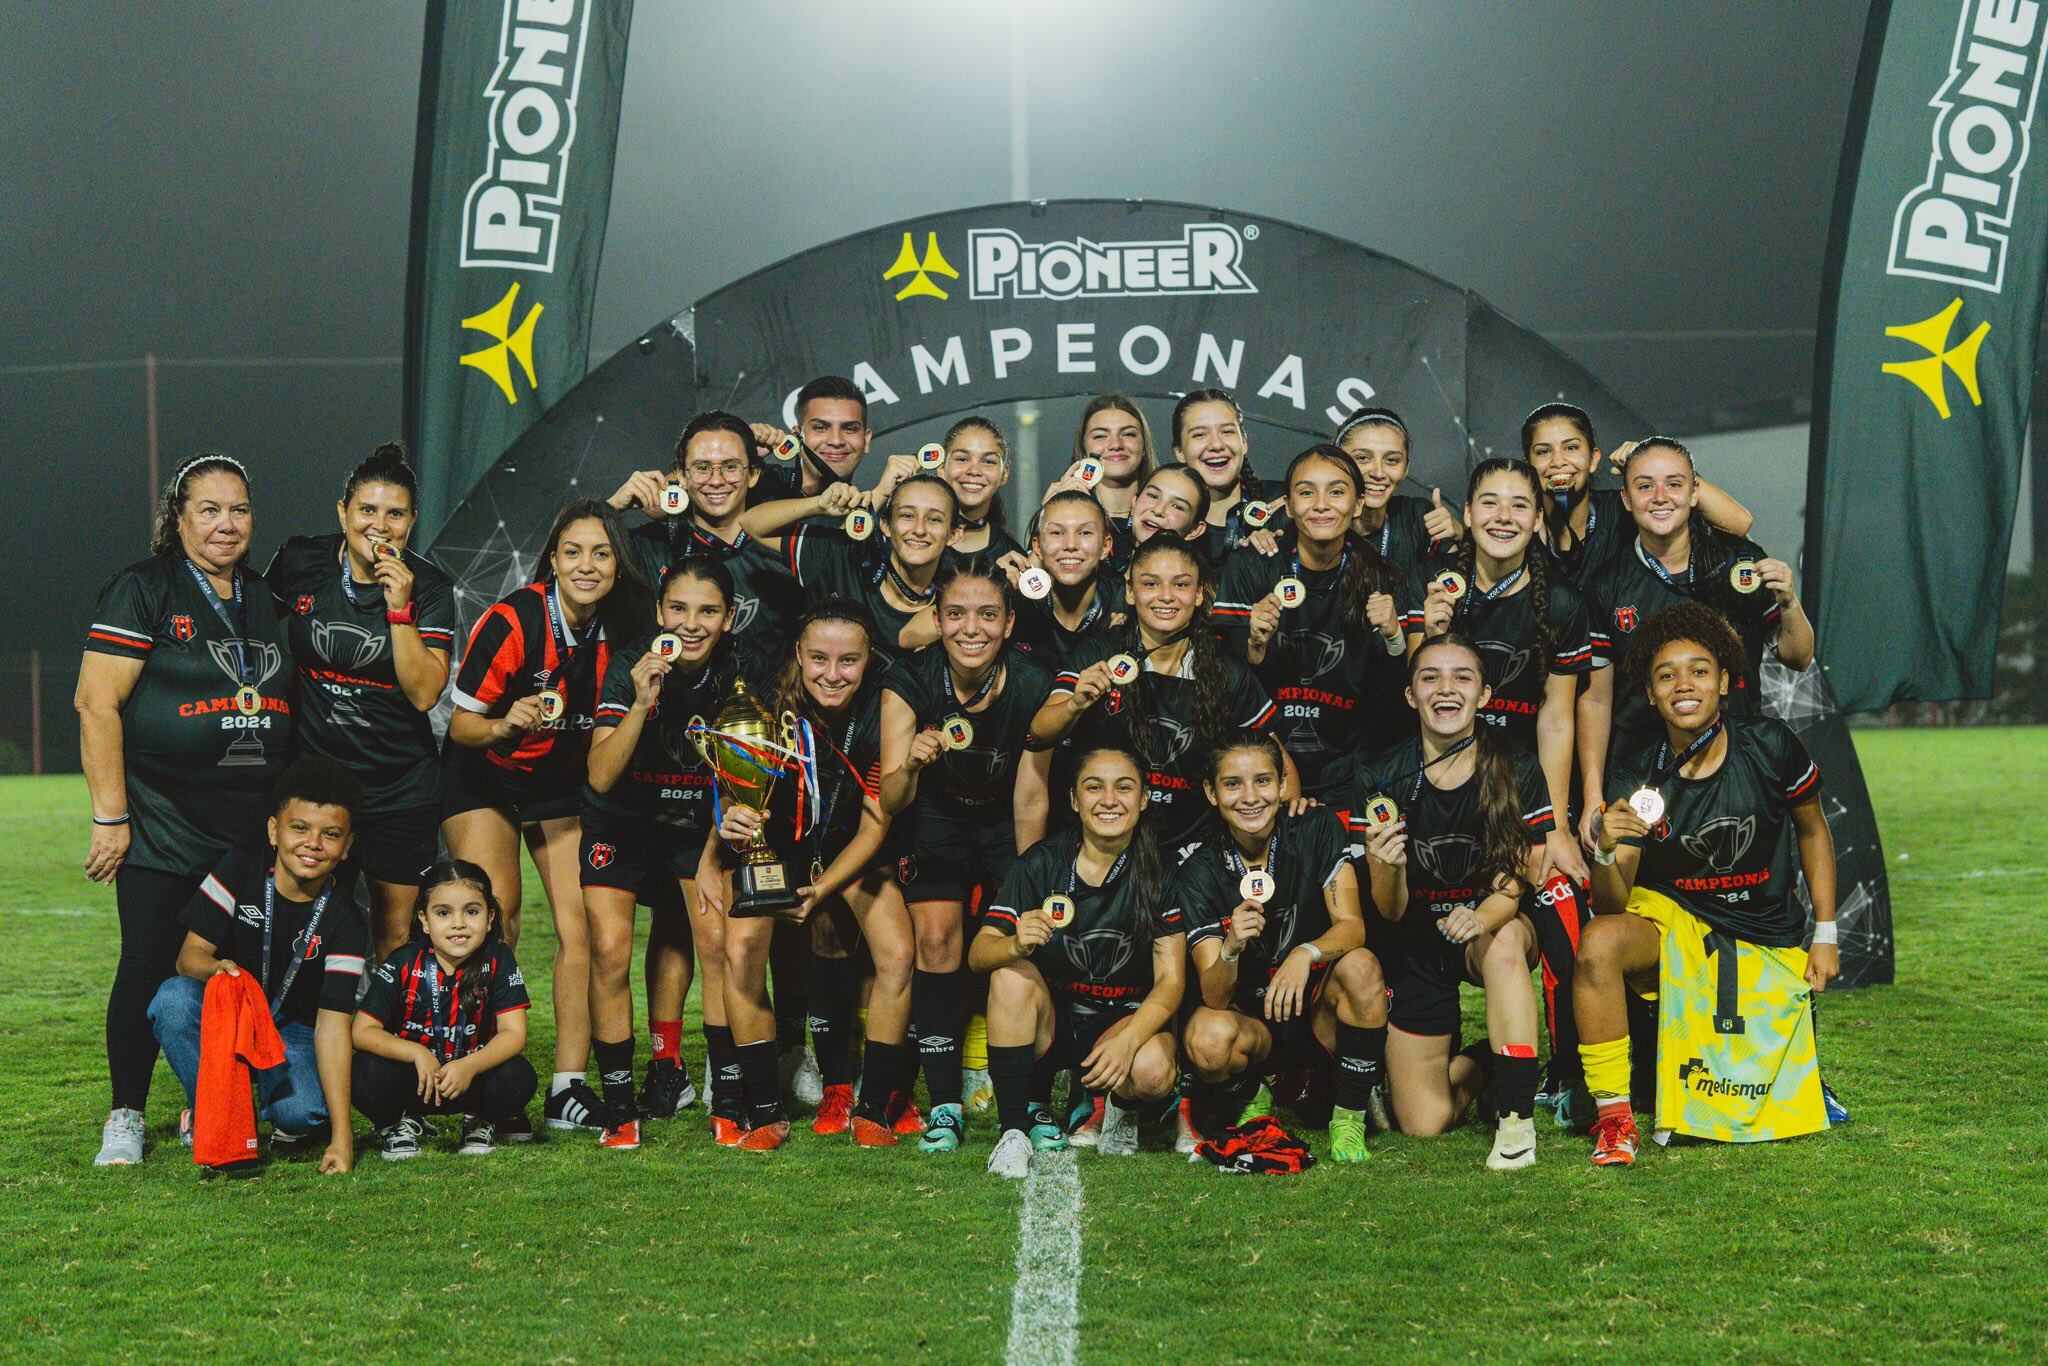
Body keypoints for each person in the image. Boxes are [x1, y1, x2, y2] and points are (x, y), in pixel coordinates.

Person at [80, 453, 295, 1167]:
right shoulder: (144, 588)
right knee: (146, 965)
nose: (226, 524)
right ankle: (126, 1115)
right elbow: (96, 703)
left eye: (239, 509)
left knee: (235, 973)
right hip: (163, 826)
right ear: (178, 519)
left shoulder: (264, 596)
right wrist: (111, 816)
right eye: (209, 509)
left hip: (247, 833)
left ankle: (208, 1100)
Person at [1578, 603, 1838, 1167]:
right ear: (1651, 695)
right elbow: (1611, 902)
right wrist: (1604, 850)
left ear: (1723, 683)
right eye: (1666, 675)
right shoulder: (1637, 771)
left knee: (1766, 1092)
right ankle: (1615, 1119)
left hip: (1764, 930)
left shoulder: (1769, 744)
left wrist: (1826, 933)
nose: (1683, 685)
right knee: (1598, 941)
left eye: (1698, 671)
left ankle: (1805, 1071)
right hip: (1677, 923)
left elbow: (1814, 832)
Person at [1402, 457, 1609, 1119]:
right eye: (1489, 502)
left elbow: (1556, 717)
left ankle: (1568, 1075)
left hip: (1519, 798)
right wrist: (1428, 629)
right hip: (1440, 794)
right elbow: (1408, 692)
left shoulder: (1563, 603)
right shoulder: (1433, 582)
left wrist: (1554, 826)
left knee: (1561, 907)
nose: (1503, 516)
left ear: (1538, 518)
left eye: (1520, 505)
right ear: (1467, 514)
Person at [442, 499, 652, 1134]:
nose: (587, 566)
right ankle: (480, 1087)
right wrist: (505, 723)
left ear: (618, 563)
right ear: (553, 560)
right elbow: (461, 725)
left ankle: (567, 1088)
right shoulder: (514, 619)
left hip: (559, 784)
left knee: (580, 927)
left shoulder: (627, 625)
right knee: (495, 916)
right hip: (483, 772)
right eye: (573, 552)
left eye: (601, 553)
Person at [703, 600, 921, 1147]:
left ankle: (873, 1108)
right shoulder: (765, 701)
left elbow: (875, 826)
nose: (832, 674)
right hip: (775, 847)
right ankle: (765, 1110)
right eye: (819, 658)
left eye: (849, 661)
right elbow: (731, 784)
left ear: (869, 658)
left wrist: (821, 890)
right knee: (741, 953)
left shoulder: (884, 707)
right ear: (799, 654)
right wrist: (727, 824)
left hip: (850, 848)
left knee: (897, 953)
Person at [1351, 633, 1555, 1170]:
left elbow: (1515, 883)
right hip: (1416, 945)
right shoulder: (1381, 777)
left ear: (1484, 695)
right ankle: (1489, 1061)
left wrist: (1480, 916)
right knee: (1424, 1122)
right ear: (1410, 695)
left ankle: (1516, 1120)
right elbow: (1389, 911)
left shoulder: (1517, 767)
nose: (1446, 689)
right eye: (1430, 678)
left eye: (1462, 677)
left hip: (1488, 925)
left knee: (1504, 946)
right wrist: (1389, 868)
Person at [878, 561, 1057, 1152]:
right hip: (936, 816)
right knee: (936, 941)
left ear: (1009, 623)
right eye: (956, 614)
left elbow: (1032, 793)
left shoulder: (1032, 682)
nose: (971, 628)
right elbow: (893, 800)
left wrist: (1027, 878)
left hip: (1007, 820)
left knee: (1019, 940)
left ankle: (1033, 1099)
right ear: (936, 620)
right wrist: (910, 763)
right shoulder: (909, 678)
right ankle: (945, 1105)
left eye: (987, 615)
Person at [579, 557, 744, 1147]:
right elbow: (601, 776)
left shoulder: (740, 673)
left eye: (708, 611)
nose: (691, 624)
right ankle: (620, 1107)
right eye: (678, 608)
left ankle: (726, 1101)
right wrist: (641, 704)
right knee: (608, 950)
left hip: (696, 826)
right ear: (659, 612)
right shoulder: (630, 664)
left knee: (715, 944)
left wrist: (710, 855)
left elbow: (742, 780)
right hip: (621, 820)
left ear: (728, 619)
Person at [266, 444, 455, 956]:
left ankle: (384, 1014)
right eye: (367, 510)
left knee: (395, 933)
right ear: (342, 512)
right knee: (306, 924)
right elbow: (248, 629)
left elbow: (424, 694)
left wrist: (399, 610)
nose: (379, 525)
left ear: (412, 521)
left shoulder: (429, 587)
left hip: (400, 785)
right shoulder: (301, 560)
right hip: (319, 783)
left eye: (395, 514)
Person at [1578, 438, 1814, 848]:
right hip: (1643, 777)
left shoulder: (1737, 562)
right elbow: (1597, 700)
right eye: (1645, 486)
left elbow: (1798, 657)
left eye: (1674, 484)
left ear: (1694, 493)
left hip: (1737, 767)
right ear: (1626, 499)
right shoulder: (1607, 584)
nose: (1660, 497)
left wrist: (1790, 604)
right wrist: (1592, 795)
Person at [972, 747, 1187, 1178]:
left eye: (1124, 787)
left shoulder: (1162, 870)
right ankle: (1012, 1132)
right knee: (1009, 976)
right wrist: (1015, 944)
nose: (1109, 800)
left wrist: (1129, 1042)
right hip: (1052, 1020)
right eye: (1094, 787)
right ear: (1073, 799)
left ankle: (1120, 1109)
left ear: (1144, 799)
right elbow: (979, 953)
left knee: (1152, 1073)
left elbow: (1171, 981)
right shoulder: (1043, 862)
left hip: (1118, 1020)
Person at [146, 758, 365, 1174]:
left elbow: (334, 1026)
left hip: (291, 1029)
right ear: (274, 831)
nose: (313, 844)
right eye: (300, 828)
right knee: (172, 1000)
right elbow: (188, 956)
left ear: (347, 845)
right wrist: (216, 970)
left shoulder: (347, 920)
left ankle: (272, 1104)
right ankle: (209, 1108)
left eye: (331, 834)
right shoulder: (240, 867)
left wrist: (343, 1138)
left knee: (302, 1116)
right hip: (230, 1011)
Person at [1176, 736, 1387, 1162]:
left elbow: (1352, 927)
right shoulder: (1198, 870)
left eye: (1263, 781)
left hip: (1316, 1013)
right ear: (1211, 792)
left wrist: (1305, 953)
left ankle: (1348, 1120)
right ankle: (1256, 1090)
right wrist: (1231, 947)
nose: (1250, 797)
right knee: (1207, 1041)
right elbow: (1215, 996)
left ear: (1282, 783)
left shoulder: (1316, 827)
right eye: (1232, 784)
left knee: (1362, 967)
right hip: (1255, 1029)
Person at [1033, 538, 1292, 861]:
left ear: (1198, 594)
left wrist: (1296, 816)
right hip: (1109, 837)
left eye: (1181, 585)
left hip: (1193, 851)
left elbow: (1277, 759)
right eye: (1151, 584)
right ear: (1130, 592)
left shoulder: (1225, 668)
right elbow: (1040, 732)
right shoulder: (1100, 651)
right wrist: (1075, 705)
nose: (1166, 596)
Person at [1214, 444, 1408, 797]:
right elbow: (1224, 686)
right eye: (1306, 492)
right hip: (1261, 774)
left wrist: (1395, 637)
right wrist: (1255, 645)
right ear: (1288, 506)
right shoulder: (1252, 565)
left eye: (1336, 492)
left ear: (1359, 504)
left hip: (1347, 777)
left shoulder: (1382, 578)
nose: (1321, 504)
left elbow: (1393, 705)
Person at [351, 860, 537, 1160]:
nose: (458, 923)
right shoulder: (403, 961)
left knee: (519, 1076)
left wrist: (469, 1066)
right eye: (443, 913)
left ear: (490, 918)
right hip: (417, 1081)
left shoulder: (498, 959)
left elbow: (514, 1034)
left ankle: (480, 1120)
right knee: (362, 1070)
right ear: (424, 920)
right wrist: (416, 1053)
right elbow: (361, 1031)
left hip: (471, 1079)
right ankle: (397, 1123)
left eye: (472, 911)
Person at [616, 410, 809, 672]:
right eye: (702, 468)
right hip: (670, 697)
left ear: (753, 474)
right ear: (682, 476)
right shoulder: (650, 546)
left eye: (730, 467)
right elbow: (570, 572)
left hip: (770, 697)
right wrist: (612, 507)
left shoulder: (790, 547)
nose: (716, 481)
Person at [1520, 403, 1753, 590]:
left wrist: (1647, 460)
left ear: (1593, 459)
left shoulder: (1626, 509)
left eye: (1571, 448)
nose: (1558, 461)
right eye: (1543, 451)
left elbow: (1739, 524)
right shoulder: (1518, 524)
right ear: (1527, 466)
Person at [741, 472, 954, 661]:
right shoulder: (840, 555)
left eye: (935, 519)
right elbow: (751, 523)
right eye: (907, 515)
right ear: (885, 525)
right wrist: (818, 505)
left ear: (954, 534)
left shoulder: (960, 593)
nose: (919, 529)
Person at [1009, 490, 1127, 677]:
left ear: (1106, 546)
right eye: (1057, 532)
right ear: (1037, 546)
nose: (1070, 544)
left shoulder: (1126, 605)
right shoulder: (1016, 603)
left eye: (1085, 532)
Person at [1332, 406, 1462, 566]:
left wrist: (1463, 537)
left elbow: (1462, 577)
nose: (1378, 473)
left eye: (1391, 460)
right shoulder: (1313, 521)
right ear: (1336, 461)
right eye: (1363, 458)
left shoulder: (1418, 518)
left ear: (1406, 468)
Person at [1171, 389, 1278, 556]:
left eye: (1227, 431)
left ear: (1244, 442)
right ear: (1179, 451)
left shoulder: (1283, 504)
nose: (1216, 445)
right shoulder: (1166, 519)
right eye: (1200, 434)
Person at [1063, 394, 1157, 536]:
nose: (1116, 444)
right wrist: (1051, 513)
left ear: (1144, 444)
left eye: (1128, 434)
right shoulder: (1063, 513)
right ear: (1083, 449)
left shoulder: (1164, 514)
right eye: (1100, 436)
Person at [939, 416, 1025, 565]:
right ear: (941, 469)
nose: (974, 471)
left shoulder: (1012, 558)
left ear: (1004, 475)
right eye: (962, 459)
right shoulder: (914, 537)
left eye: (988, 462)